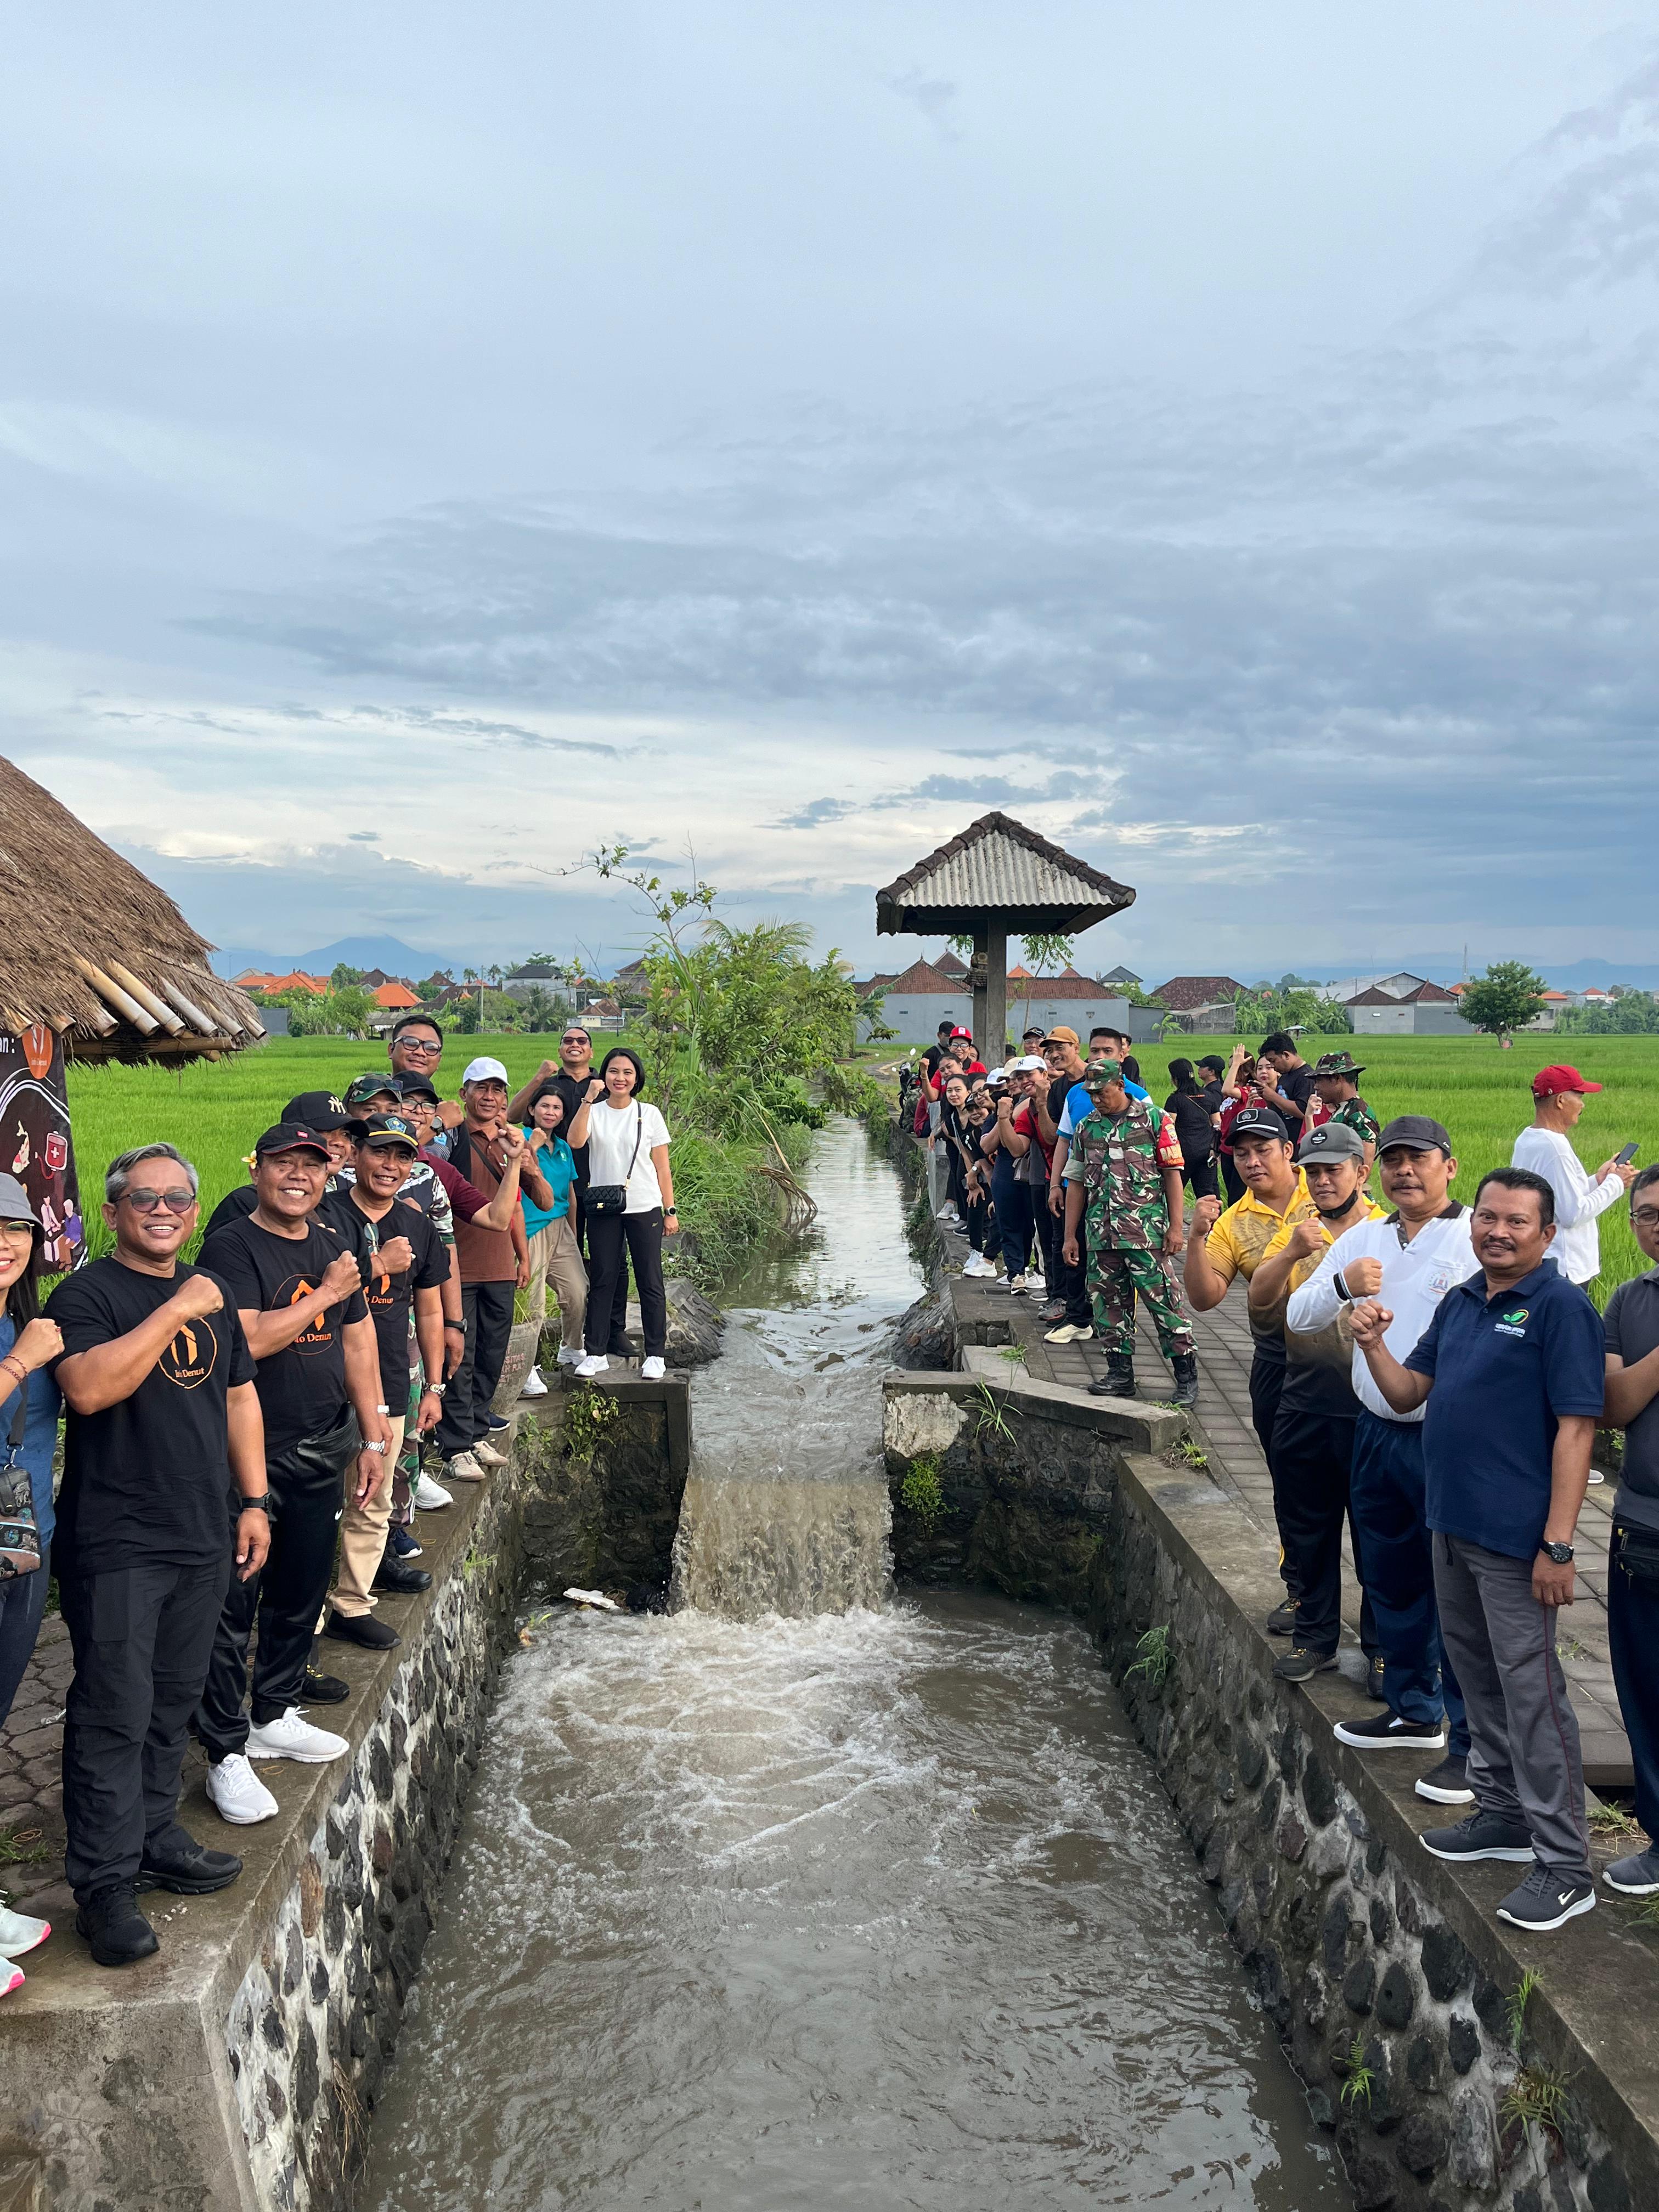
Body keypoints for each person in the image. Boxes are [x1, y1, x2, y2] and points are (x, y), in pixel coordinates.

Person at [1348, 1167, 1604, 1933]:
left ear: (1547, 1234)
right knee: (1475, 1674)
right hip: (1449, 1523)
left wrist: (1558, 1544)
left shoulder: (1560, 1309)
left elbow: (1577, 1429)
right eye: (1488, 1217)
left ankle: (1565, 1865)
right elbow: (1405, 1395)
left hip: (1517, 1538)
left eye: (1516, 1222)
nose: (1497, 1231)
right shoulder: (1462, 1300)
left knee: (1533, 1693)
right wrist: (1374, 1341)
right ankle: (1501, 1814)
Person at [46, 1145, 268, 1965]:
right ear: (114, 1212)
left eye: (180, 1197)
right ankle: (103, 1885)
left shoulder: (212, 1293)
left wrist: (253, 1502)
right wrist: (178, 1310)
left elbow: (239, 1396)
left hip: (203, 1528)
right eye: (146, 1198)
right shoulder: (88, 1294)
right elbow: (90, 1388)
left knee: (173, 1697)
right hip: (118, 1540)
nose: (166, 1210)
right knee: (114, 1708)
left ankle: (152, 1834)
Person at [196, 1126, 390, 1827]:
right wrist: (327, 1292)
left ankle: (272, 1711)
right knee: (233, 1601)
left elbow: (358, 1339)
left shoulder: (331, 1243)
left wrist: (372, 1436)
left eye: (312, 1166)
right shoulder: (232, 1247)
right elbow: (243, 1339)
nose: (299, 1178)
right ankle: (223, 1749)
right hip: (249, 1454)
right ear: (260, 1170)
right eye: (284, 1165)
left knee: (300, 1589)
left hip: (320, 1445)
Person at [1285, 1116, 1474, 1799]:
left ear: (1449, 1166)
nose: (1405, 1172)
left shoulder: (1476, 1236)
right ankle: (1415, 1709)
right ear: (1378, 1171)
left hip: (1447, 1439)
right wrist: (1342, 1286)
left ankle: (1471, 1740)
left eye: (1418, 1159)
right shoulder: (1361, 1240)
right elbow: (1297, 1317)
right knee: (1388, 1573)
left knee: (1459, 1590)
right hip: (1374, 1427)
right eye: (1392, 1160)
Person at [1248, 1124, 1385, 1688]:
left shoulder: (1387, 1232)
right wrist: (1292, 1255)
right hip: (1303, 1400)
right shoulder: (1300, 1232)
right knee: (1307, 1528)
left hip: (1370, 1408)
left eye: (1335, 1169)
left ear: (1361, 1171)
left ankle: (1384, 1649)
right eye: (1315, 1171)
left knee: (1379, 1532)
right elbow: (1260, 1309)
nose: (1324, 1180)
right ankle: (1315, 1638)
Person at [1182, 1105, 1317, 1630]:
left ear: (1288, 1151)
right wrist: (1195, 1235)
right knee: (1289, 1481)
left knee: (1359, 1488)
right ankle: (1301, 1588)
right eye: (1241, 1154)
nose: (1253, 1162)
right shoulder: (1233, 1223)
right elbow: (1205, 1297)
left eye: (1263, 1150)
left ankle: (1377, 1618)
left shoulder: (1329, 1192)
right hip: (1278, 1363)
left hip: (1346, 1361)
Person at [319, 1115, 449, 1649]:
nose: (389, 1166)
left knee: (372, 1502)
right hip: (325, 1383)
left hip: (392, 1380)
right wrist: (379, 1264)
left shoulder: (416, 1225)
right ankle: (305, 1617)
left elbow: (431, 1311)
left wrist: (435, 1388)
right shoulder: (326, 1217)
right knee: (321, 1504)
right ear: (356, 1156)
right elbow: (317, 1290)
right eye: (379, 1153)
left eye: (402, 1157)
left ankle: (352, 1603)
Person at [430, 1061, 550, 1479]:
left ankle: (476, 1428)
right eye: (481, 1088)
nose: (490, 1097)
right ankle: (455, 1445)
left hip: (498, 1266)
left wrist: (523, 1255)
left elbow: (536, 1202)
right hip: (457, 1268)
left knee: (490, 1356)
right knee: (457, 1359)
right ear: (464, 1093)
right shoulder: (449, 1140)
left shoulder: (512, 1142)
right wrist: (438, 1119)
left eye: (498, 1090)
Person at [0, 1176, 60, 1991]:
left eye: (16, 1228)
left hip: (20, 1548)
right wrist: (22, 1360)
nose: (6, 1242)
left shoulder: (26, 1315)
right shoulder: (25, 1338)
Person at [1062, 1058, 1197, 1407]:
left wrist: (1175, 1227)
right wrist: (1069, 1236)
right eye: (1091, 1094)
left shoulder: (1155, 1121)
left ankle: (1186, 1377)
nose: (1096, 1100)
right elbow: (1076, 1183)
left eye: (1102, 1093)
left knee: (1165, 1303)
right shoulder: (1086, 1128)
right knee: (1108, 1307)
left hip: (1145, 1235)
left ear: (1121, 1085)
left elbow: (1173, 1176)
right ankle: (1120, 1375)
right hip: (1100, 1235)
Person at [1595, 1165, 1659, 1896]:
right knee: (1644, 1686)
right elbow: (1612, 1403)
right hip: (1642, 1522)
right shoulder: (1628, 1300)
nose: (1654, 1225)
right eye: (1643, 1215)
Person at [577, 1049, 675, 1380]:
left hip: (644, 1205)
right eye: (614, 1071)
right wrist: (587, 1101)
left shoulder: (649, 1114)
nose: (620, 1078)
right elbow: (577, 1141)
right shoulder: (594, 1111)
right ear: (603, 1076)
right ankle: (595, 1352)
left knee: (650, 1280)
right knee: (603, 1277)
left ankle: (656, 1354)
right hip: (604, 1207)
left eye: (628, 1072)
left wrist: (670, 1209)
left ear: (637, 1079)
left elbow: (662, 1166)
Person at [1511, 1064, 1637, 1286]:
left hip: (1542, 1262)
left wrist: (1598, 1180)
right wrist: (1616, 1183)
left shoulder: (1528, 1139)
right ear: (1560, 1101)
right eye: (1579, 1096)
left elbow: (1553, 1198)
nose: (1583, 1104)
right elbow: (1572, 1214)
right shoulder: (1555, 1147)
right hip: (1565, 1268)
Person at [507, 1024, 598, 1256]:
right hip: (558, 1180)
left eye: (581, 1041)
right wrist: (540, 1077)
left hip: (600, 1178)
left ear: (591, 1052)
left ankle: (599, 1294)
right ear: (560, 1051)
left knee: (607, 1252)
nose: (575, 1045)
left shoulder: (603, 1087)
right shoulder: (550, 1086)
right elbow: (512, 1115)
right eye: (568, 1041)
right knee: (568, 1246)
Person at [520, 1082, 590, 1368]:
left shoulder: (563, 1148)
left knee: (578, 1291)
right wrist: (532, 1146)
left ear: (563, 1116)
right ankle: (526, 1366)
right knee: (531, 1303)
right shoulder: (520, 1138)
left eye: (557, 1108)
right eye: (545, 1106)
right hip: (530, 1228)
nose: (550, 1112)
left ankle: (571, 1347)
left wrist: (573, 1233)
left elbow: (571, 1195)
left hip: (560, 1227)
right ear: (532, 1110)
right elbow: (521, 1172)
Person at [1308, 1051, 1380, 1169]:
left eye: (1320, 1080)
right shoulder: (1343, 1109)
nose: (1316, 1087)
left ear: (1337, 1079)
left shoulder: (1359, 1115)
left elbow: (1363, 1168)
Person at [1165, 1058, 1217, 1201]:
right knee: (1207, 1195)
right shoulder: (1209, 1096)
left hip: (1184, 1154)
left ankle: (1174, 1223)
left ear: (1175, 1078)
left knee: (1173, 1193)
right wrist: (1216, 1149)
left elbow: (1169, 1129)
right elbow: (1218, 1124)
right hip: (1207, 1153)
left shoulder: (1175, 1100)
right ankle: (1213, 1223)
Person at [1255, 1032, 1314, 1133]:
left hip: (1298, 1139)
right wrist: (1267, 1097)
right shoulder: (1285, 1075)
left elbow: (1303, 1112)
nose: (1272, 1066)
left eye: (1273, 1061)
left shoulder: (1306, 1077)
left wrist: (1273, 1096)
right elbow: (1278, 1109)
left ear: (1286, 1055)